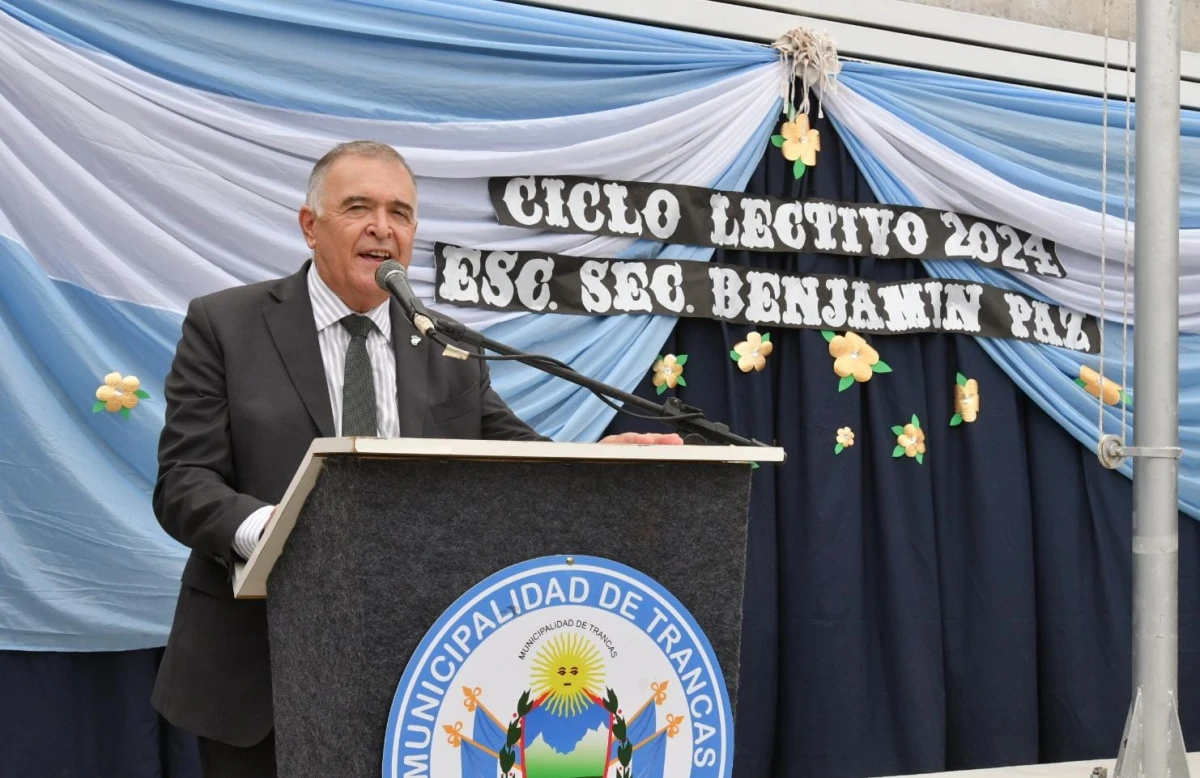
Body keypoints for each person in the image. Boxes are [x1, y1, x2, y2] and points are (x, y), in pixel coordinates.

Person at [150, 140, 680, 776]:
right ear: (310, 226)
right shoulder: (225, 325)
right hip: (258, 667)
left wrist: (595, 458)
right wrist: (274, 533)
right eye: (358, 208)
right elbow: (183, 482)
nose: (383, 227)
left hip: (413, 668)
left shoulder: (445, 344)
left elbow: (515, 454)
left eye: (400, 213)